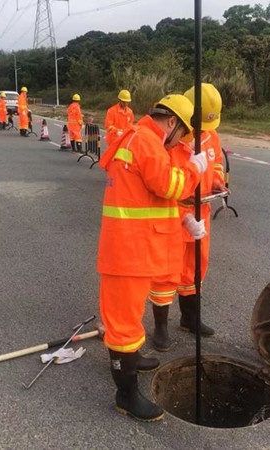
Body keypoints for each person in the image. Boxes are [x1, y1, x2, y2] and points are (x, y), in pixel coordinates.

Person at [98, 94, 209, 422]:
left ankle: (130, 358)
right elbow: (169, 185)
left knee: (127, 321)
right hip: (127, 254)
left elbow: (146, 199)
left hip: (134, 249)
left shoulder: (139, 139)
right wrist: (194, 169)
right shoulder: (146, 141)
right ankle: (126, 395)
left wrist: (183, 221)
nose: (181, 142)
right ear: (172, 122)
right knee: (123, 325)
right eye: (183, 134)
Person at [148, 83, 228, 352]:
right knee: (165, 271)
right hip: (173, 212)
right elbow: (160, 178)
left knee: (195, 268)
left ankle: (190, 318)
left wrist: (217, 182)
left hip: (201, 210)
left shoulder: (210, 135)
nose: (204, 131)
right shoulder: (171, 136)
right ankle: (160, 327)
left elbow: (216, 164)